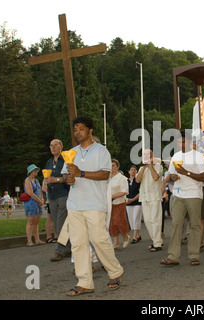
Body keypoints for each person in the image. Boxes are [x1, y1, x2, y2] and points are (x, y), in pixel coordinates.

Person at [61, 116, 124, 296]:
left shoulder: (101, 151)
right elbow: (65, 176)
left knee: (99, 240)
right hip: (74, 203)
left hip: (94, 203)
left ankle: (115, 272)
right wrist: (68, 178)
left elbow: (105, 174)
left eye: (81, 128)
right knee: (78, 244)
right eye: (75, 129)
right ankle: (84, 282)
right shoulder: (71, 152)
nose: (77, 132)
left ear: (90, 130)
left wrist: (80, 173)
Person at [160, 130, 204, 266]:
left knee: (195, 225)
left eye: (182, 141)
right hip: (178, 194)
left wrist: (185, 172)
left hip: (193, 194)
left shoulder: (198, 157)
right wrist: (173, 177)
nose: (180, 144)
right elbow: (170, 176)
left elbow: (203, 177)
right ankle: (173, 256)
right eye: (177, 142)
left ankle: (194, 255)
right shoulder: (175, 156)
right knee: (176, 224)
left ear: (189, 142)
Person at [43, 138, 71, 262]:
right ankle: (68, 247)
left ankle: (59, 250)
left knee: (60, 223)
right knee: (57, 222)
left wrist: (56, 179)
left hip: (64, 194)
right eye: (51, 145)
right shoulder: (49, 162)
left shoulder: (65, 160)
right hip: (52, 195)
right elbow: (47, 177)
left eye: (55, 145)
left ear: (61, 146)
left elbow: (69, 177)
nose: (53, 147)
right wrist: (45, 183)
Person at [136, 149, 163, 252]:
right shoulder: (141, 168)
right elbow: (138, 180)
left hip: (154, 196)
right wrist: (143, 168)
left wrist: (151, 165)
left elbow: (156, 177)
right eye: (144, 155)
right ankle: (157, 240)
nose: (146, 156)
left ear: (152, 156)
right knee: (147, 221)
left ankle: (157, 244)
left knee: (155, 220)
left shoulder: (158, 166)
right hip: (144, 197)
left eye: (148, 155)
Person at [109, 159, 130, 249]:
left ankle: (125, 236)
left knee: (118, 221)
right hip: (109, 204)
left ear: (117, 167)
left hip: (119, 202)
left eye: (113, 165)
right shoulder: (107, 178)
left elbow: (125, 191)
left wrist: (113, 196)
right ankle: (116, 242)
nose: (111, 167)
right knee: (112, 223)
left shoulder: (122, 178)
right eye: (110, 165)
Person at [24, 164, 46, 247]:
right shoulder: (27, 180)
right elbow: (30, 192)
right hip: (31, 203)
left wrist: (42, 199)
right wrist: (39, 200)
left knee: (36, 222)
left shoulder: (36, 180)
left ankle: (37, 239)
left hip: (38, 203)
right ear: (31, 172)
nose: (36, 171)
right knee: (30, 221)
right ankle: (29, 240)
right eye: (35, 170)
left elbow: (40, 190)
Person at [126, 165, 142, 243]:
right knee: (131, 219)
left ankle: (134, 236)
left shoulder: (138, 181)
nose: (133, 171)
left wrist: (133, 199)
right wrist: (127, 200)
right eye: (131, 170)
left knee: (136, 218)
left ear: (136, 172)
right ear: (129, 171)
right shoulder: (126, 181)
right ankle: (138, 235)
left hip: (137, 202)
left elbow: (140, 192)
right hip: (128, 202)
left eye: (134, 170)